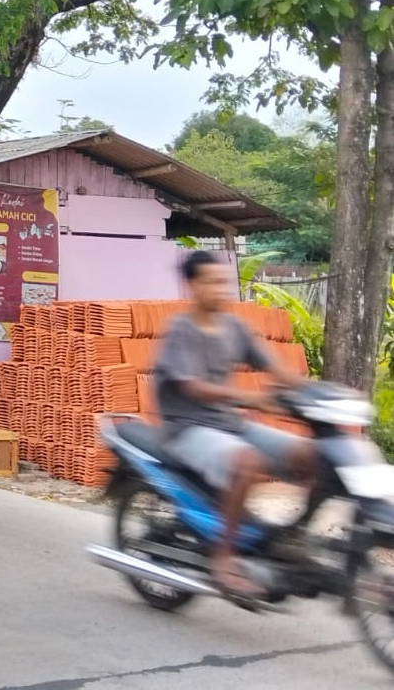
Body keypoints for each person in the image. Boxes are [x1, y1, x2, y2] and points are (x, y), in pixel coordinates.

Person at [152, 250, 314, 599]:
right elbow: (192, 386)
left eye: (223, 282)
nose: (220, 289)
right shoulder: (181, 329)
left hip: (228, 423)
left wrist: (315, 392)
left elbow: (274, 366)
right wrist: (246, 398)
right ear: (192, 286)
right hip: (187, 428)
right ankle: (223, 558)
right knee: (247, 462)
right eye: (211, 282)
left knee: (308, 454)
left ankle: (289, 538)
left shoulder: (233, 326)